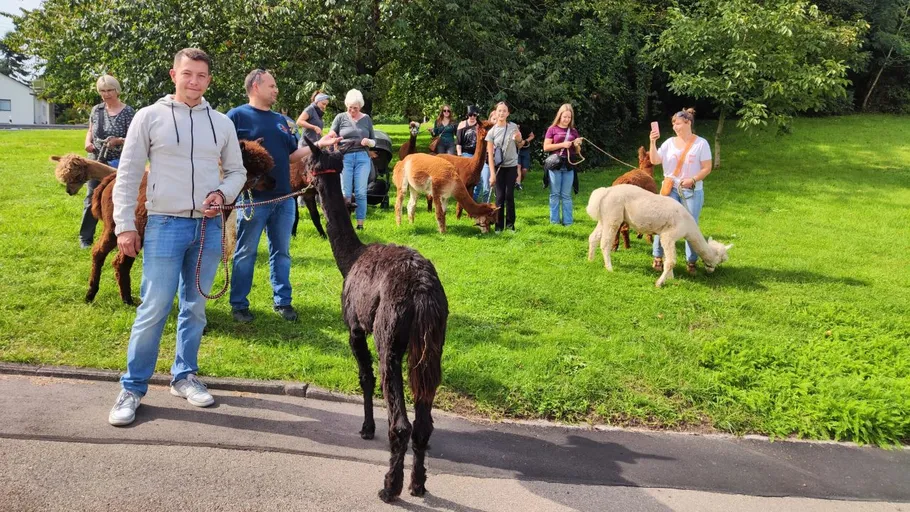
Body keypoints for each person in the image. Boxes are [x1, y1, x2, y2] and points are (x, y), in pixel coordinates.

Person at [108, 48, 247, 426]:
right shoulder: (148, 117)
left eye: (201, 76)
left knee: (196, 307)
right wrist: (125, 225)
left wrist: (222, 194)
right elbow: (128, 172)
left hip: (207, 227)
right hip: (164, 225)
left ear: (209, 80)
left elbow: (237, 171)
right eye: (188, 74)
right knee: (154, 307)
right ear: (174, 75)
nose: (194, 82)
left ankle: (184, 376)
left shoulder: (221, 123)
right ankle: (133, 387)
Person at [227, 69, 323, 324]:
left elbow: (291, 155)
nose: (276, 89)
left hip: (284, 197)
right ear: (256, 86)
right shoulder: (236, 117)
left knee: (281, 251)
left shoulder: (282, 121)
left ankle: (283, 301)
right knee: (245, 251)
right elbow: (222, 153)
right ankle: (239, 305)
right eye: (272, 85)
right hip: (254, 199)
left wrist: (319, 146)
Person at [649, 108, 713, 275]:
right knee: (663, 222)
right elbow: (655, 160)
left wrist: (693, 179)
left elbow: (707, 168)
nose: (675, 127)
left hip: (692, 191)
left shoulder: (701, 144)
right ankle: (657, 257)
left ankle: (691, 262)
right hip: (670, 189)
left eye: (677, 123)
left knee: (690, 225)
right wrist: (652, 142)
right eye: (673, 124)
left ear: (688, 123)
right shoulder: (669, 143)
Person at [79, 75, 136, 249]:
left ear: (117, 90)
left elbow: (135, 138)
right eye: (103, 91)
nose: (106, 94)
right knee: (91, 198)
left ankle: (117, 234)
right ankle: (85, 238)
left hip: (119, 162)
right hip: (97, 160)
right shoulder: (97, 110)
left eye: (110, 90)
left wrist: (118, 140)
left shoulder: (128, 112)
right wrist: (87, 142)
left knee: (117, 199)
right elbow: (90, 130)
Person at [326, 89, 376, 230]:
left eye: (355, 108)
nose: (352, 110)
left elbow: (374, 141)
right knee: (345, 192)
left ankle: (360, 224)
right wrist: (331, 137)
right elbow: (332, 133)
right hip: (345, 156)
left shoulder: (366, 119)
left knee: (360, 192)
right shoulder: (340, 117)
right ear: (346, 105)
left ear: (360, 107)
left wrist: (369, 142)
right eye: (350, 108)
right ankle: (345, 222)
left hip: (362, 156)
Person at [485, 101, 523, 232]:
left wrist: (518, 138)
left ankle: (511, 225)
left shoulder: (513, 127)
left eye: (504, 111)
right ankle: (498, 226)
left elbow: (520, 144)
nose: (501, 113)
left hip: (511, 166)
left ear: (508, 113)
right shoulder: (491, 132)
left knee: (509, 196)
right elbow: (490, 155)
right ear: (495, 113)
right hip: (499, 168)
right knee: (500, 197)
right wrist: (492, 174)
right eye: (499, 111)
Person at [543, 104, 583, 226]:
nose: (566, 119)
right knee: (555, 194)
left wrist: (577, 144)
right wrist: (562, 145)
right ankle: (554, 222)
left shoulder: (574, 131)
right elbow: (546, 147)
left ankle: (568, 222)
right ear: (559, 116)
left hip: (569, 164)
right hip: (555, 164)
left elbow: (577, 151)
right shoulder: (552, 129)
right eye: (564, 117)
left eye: (569, 117)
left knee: (566, 195)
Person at [473, 109, 498, 202]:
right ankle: (485, 206)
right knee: (486, 187)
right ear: (490, 119)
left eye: (497, 119)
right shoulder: (485, 132)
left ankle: (497, 207)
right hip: (487, 161)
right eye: (494, 119)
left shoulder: (502, 131)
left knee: (498, 188)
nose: (495, 121)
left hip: (499, 161)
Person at [516, 124, 535, 191]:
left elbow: (532, 136)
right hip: (516, 149)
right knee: (518, 166)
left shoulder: (525, 128)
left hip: (525, 149)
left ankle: (519, 182)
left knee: (524, 170)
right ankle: (518, 184)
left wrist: (525, 141)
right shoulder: (510, 129)